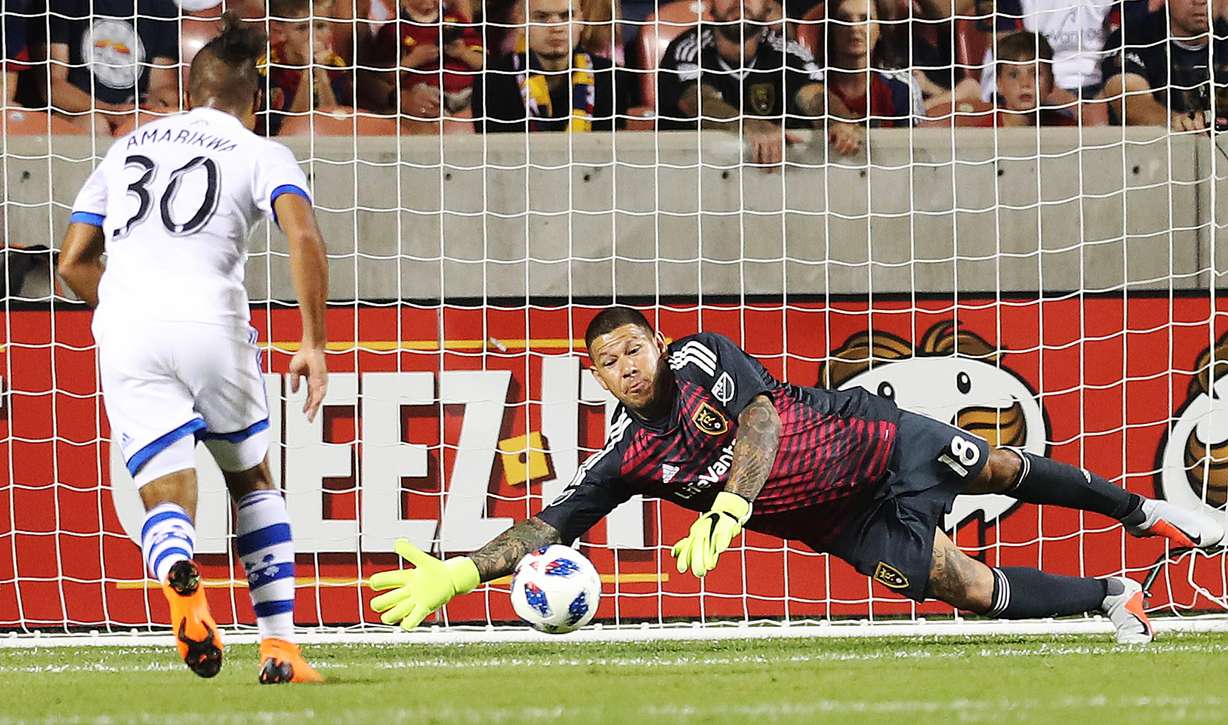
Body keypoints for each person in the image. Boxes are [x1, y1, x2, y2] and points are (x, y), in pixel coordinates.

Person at [368, 306, 1225, 643]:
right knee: (961, 585)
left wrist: (729, 508)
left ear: (657, 343)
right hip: (843, 524)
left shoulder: (701, 357)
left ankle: (1139, 509)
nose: (627, 367)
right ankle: (1114, 596)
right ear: (597, 377)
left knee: (996, 463)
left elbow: (763, 421)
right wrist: (461, 572)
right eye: (609, 362)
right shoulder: (627, 455)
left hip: (873, 442)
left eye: (633, 348)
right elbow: (549, 524)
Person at [57, 13, 329, 683]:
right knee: (251, 480)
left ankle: (180, 572)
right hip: (211, 321)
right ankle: (280, 649)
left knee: (166, 497)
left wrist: (126, 307)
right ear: (255, 98)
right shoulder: (262, 151)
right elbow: (302, 236)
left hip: (127, 326)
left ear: (188, 90)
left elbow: (72, 262)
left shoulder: (127, 147)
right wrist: (313, 340)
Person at [656, 0, 863, 165]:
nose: (739, 2)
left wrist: (837, 120)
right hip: (690, 177)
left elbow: (815, 95)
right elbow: (698, 102)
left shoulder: (786, 51)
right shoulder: (687, 49)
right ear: (710, 4)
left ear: (768, 5)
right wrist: (749, 125)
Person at [473, 0, 626, 132]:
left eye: (567, 16)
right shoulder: (492, 79)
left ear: (581, 21)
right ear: (521, 23)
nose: (556, 27)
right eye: (541, 17)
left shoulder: (610, 76)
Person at [48, 0, 181, 134]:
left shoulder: (162, 6)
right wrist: (108, 110)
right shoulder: (63, 4)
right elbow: (52, 84)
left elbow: (161, 84)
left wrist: (160, 106)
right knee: (95, 124)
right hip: (77, 111)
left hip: (133, 112)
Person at [1101, 0, 1228, 130]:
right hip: (1153, 140)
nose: (1200, 1)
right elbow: (1131, 102)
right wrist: (1178, 122)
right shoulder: (1130, 37)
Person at [366, 0, 485, 118]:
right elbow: (383, 76)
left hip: (468, 92)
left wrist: (463, 53)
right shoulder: (394, 30)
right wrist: (414, 60)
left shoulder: (456, 21)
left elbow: (484, 63)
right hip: (429, 95)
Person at [823, 0, 925, 128]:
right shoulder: (813, 81)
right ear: (831, 28)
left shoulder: (902, 87)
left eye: (865, 19)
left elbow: (912, 139)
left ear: (880, 28)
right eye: (845, 19)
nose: (855, 27)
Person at [263, 0, 354, 135]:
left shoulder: (335, 65)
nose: (313, 36)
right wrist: (307, 72)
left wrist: (321, 73)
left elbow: (334, 122)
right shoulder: (268, 66)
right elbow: (289, 128)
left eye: (320, 26)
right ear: (280, 30)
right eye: (302, 28)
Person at [978, 32, 1075, 127]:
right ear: (999, 83)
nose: (1025, 84)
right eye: (1014, 75)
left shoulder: (1067, 129)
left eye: (1035, 74)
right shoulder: (985, 131)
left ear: (1051, 82)